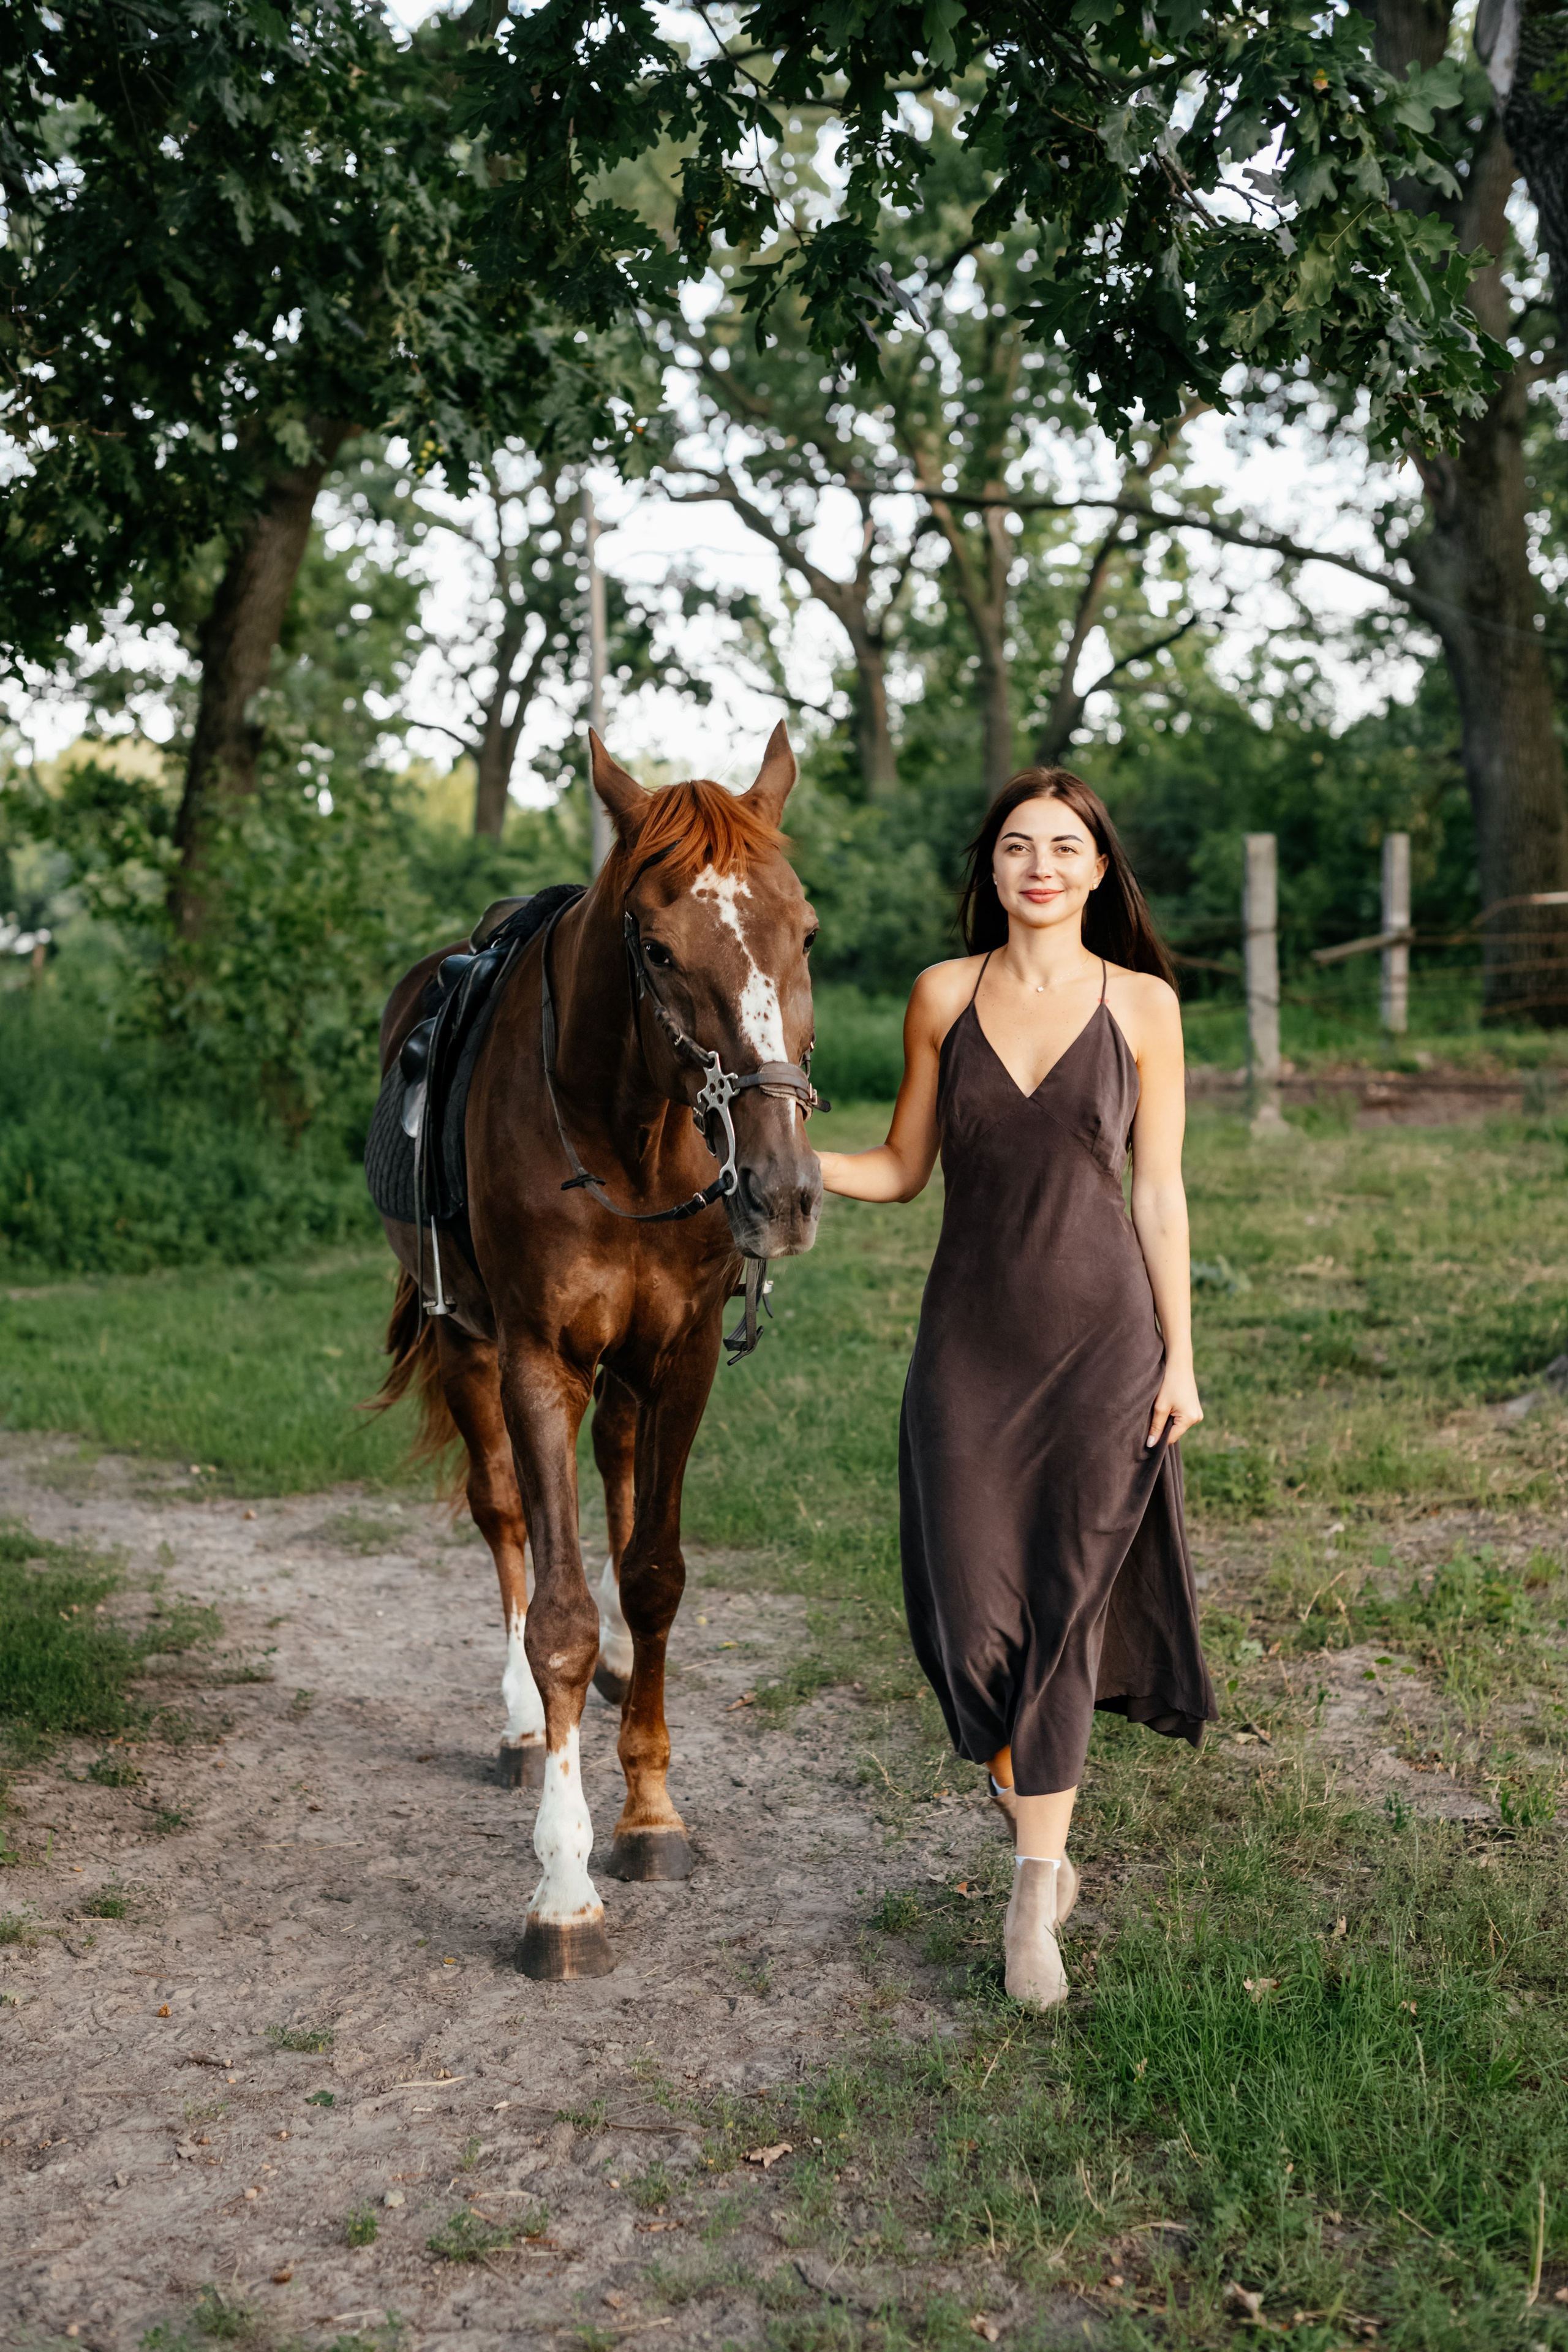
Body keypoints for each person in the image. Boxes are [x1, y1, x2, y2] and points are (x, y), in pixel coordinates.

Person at [813, 767, 1216, 2010]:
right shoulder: (940, 995)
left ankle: (1030, 1895)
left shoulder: (1142, 1005)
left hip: (1106, 1351)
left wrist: (1182, 1358)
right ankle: (1034, 1826)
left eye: (1060, 846)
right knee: (966, 1625)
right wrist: (773, 1162)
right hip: (967, 1354)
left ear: (1097, 869)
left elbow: (1158, 1192)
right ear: (989, 871)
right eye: (1012, 847)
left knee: (1062, 1612)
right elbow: (895, 1167)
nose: (1036, 866)